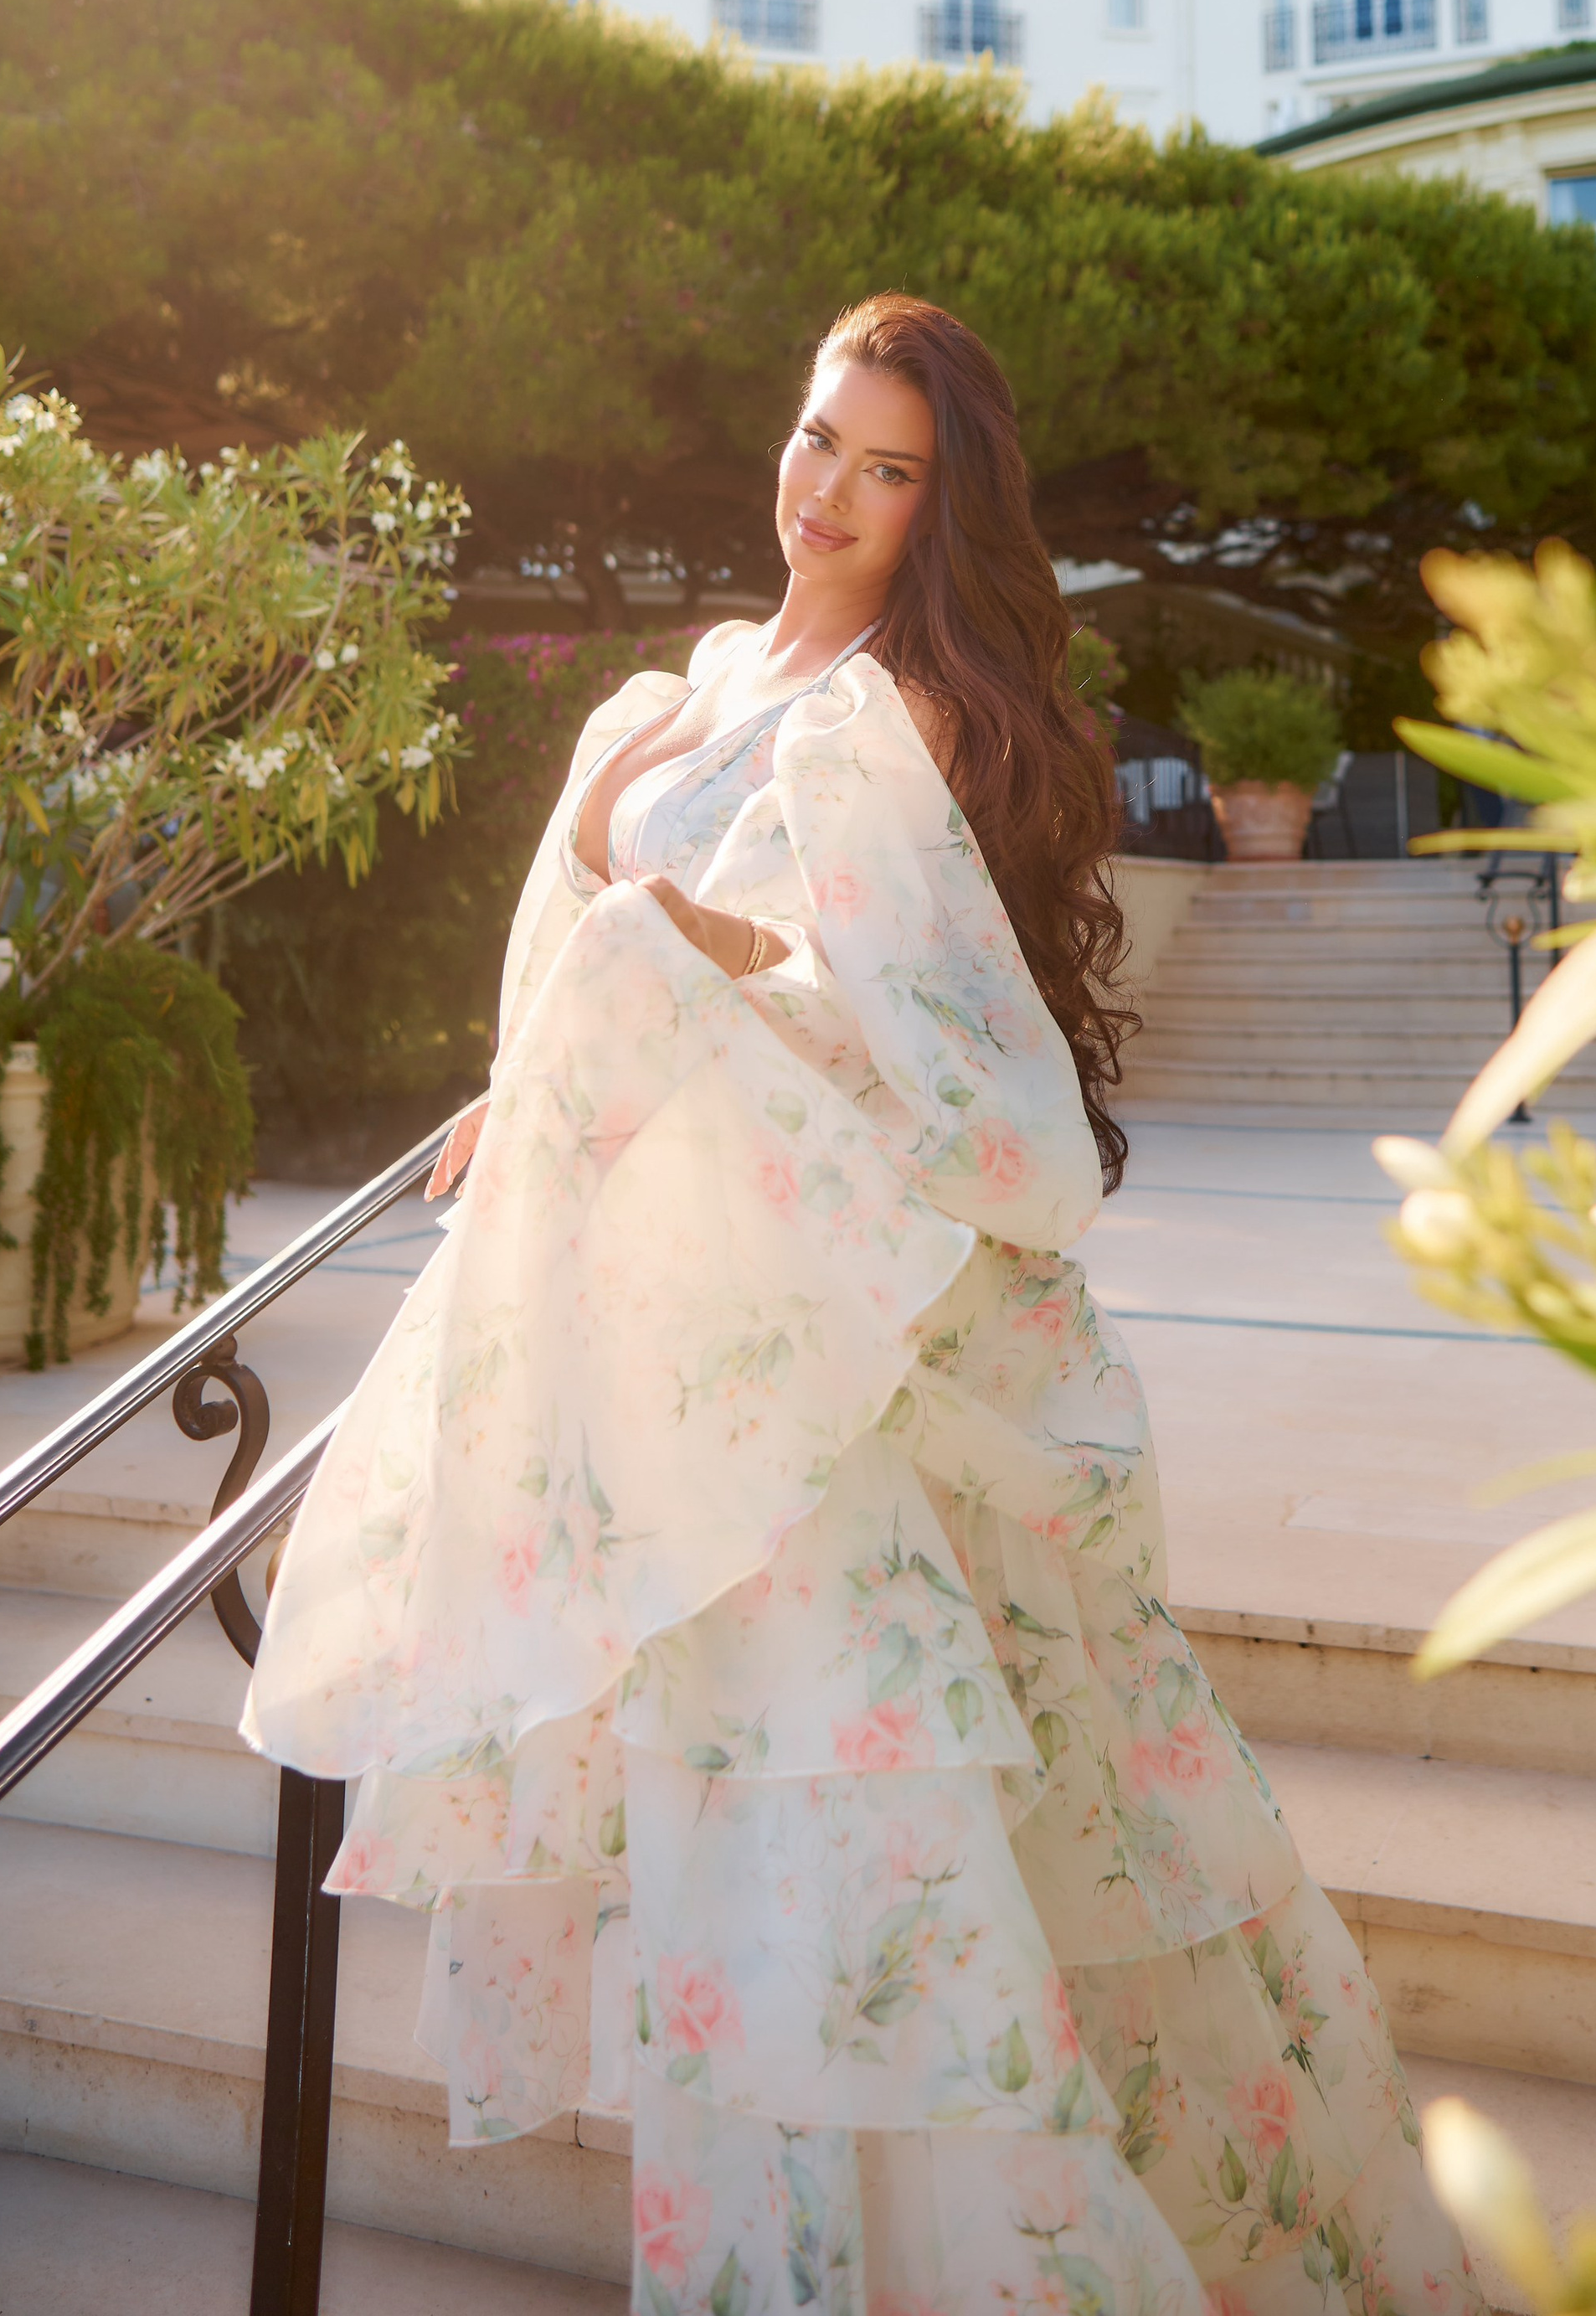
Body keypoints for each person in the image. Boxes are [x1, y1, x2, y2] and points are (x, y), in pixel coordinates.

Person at [244, 294, 1480, 2315]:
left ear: (938, 505)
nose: (828, 488)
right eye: (819, 437)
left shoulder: (894, 719)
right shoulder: (679, 696)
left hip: (822, 1356)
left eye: (885, 468)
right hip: (646, 1344)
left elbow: (930, 1049)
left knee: (866, 1859)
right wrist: (540, 1063)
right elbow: (562, 982)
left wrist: (700, 946)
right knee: (747, 1865)